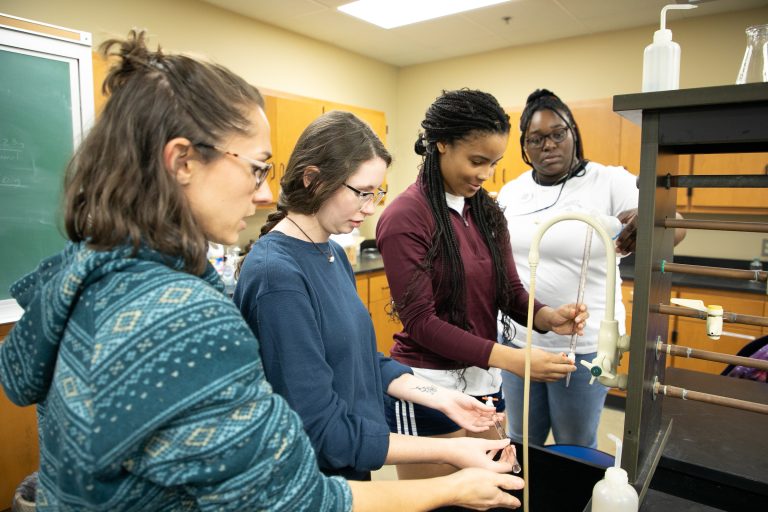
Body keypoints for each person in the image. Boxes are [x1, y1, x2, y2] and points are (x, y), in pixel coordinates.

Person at [0, 31, 523, 511]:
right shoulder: (184, 316)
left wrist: (439, 398)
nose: (265, 192)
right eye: (255, 168)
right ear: (182, 162)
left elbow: (359, 361)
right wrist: (452, 481)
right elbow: (292, 494)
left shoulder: (94, 275)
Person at [234, 110, 517, 482]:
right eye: (362, 193)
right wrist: (451, 450)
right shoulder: (278, 277)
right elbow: (322, 433)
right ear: (313, 179)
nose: (370, 208)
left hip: (351, 468)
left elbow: (365, 361)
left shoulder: (332, 254)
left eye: (376, 193)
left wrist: (442, 397)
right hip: (313, 484)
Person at [375, 88, 588, 480]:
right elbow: (422, 322)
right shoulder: (407, 217)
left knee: (491, 488)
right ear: (441, 144)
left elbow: (509, 292)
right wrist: (514, 359)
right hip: (428, 384)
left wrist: (546, 316)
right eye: (477, 161)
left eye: (493, 163)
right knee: (439, 500)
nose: (485, 174)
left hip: (485, 381)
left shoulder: (486, 211)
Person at [496, 88, 684, 448]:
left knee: (575, 445)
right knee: (520, 442)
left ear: (573, 133)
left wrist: (649, 219)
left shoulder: (609, 180)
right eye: (536, 139)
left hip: (584, 345)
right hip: (519, 340)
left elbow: (675, 224)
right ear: (524, 146)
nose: (548, 145)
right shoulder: (512, 192)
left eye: (557, 134)